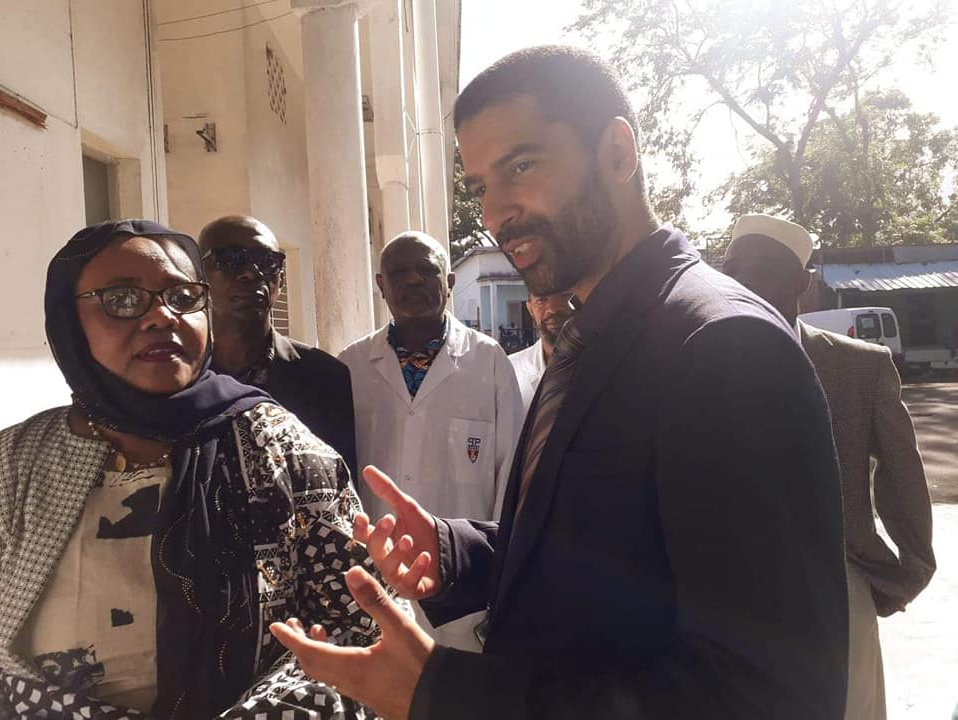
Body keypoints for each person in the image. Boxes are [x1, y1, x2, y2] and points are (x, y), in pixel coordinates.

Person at [271, 46, 850, 720]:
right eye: (480, 184)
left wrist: (442, 693)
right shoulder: (588, 333)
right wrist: (456, 550)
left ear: (618, 150)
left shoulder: (722, 347)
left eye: (521, 166)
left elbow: (771, 697)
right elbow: (601, 563)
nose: (495, 212)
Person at [0, 219, 392, 719]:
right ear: (68, 322)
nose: (162, 316)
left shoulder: (285, 448)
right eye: (122, 299)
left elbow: (358, 621)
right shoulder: (15, 463)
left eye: (182, 296)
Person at [722, 213, 936, 720]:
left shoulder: (862, 367)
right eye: (733, 270)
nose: (744, 283)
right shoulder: (690, 363)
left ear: (804, 280)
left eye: (764, 269)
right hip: (723, 595)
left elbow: (904, 476)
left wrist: (902, 576)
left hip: (837, 592)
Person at [338, 231, 522, 651]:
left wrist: (497, 576)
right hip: (372, 578)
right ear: (381, 285)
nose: (414, 281)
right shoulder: (350, 367)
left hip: (463, 587)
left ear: (450, 282)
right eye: (399, 273)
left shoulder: (489, 362)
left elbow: (511, 472)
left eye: (427, 270)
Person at [198, 215, 357, 478]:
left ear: (281, 281)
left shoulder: (327, 378)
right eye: (230, 259)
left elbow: (342, 486)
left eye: (266, 261)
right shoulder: (180, 376)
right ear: (199, 276)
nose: (251, 272)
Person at [508, 290, 573, 413]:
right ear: (530, 309)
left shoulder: (602, 367)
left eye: (562, 296)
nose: (552, 309)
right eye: (541, 300)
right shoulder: (510, 369)